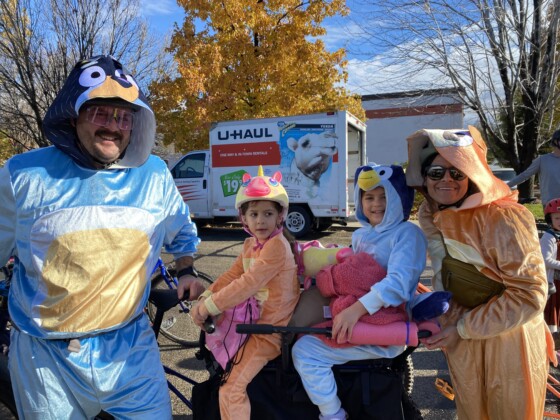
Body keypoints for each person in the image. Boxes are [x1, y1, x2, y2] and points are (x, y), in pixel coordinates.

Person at [0, 55, 204, 419]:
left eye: (124, 117)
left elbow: (182, 231)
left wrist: (186, 268)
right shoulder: (23, 175)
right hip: (46, 359)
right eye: (100, 113)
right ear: (73, 116)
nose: (113, 126)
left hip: (131, 349)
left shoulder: (154, 174)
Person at [406, 126, 555, 419]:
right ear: (424, 177)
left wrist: (463, 328)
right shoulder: (431, 214)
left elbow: (530, 294)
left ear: (472, 174)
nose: (446, 179)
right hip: (464, 340)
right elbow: (444, 277)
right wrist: (448, 324)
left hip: (510, 341)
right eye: (436, 172)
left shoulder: (504, 217)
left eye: (457, 171)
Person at [291, 163, 427, 420]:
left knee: (305, 351)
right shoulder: (363, 235)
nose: (376, 204)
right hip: (359, 313)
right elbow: (354, 272)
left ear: (398, 198)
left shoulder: (407, 234)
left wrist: (354, 310)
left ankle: (333, 414)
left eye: (384, 196)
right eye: (369, 197)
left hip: (384, 325)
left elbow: (398, 284)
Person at [190, 166, 300, 420]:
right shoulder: (251, 244)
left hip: (269, 332)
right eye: (254, 214)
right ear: (244, 218)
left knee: (231, 389)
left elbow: (247, 283)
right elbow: (233, 275)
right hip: (253, 323)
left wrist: (208, 307)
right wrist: (206, 296)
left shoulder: (276, 246)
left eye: (268, 213)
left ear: (280, 216)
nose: (260, 220)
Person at [507, 129, 560, 206]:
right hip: (550, 204)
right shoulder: (542, 160)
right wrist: (505, 186)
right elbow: (524, 175)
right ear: (555, 141)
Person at [541, 198, 560, 339]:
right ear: (550, 220)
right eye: (557, 218)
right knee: (552, 309)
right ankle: (550, 338)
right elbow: (546, 260)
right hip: (553, 282)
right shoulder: (549, 237)